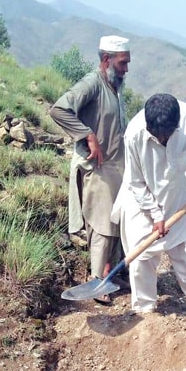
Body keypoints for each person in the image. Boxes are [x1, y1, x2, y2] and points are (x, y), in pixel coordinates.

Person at [112, 93, 186, 321]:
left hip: (177, 196)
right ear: (148, 124)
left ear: (176, 124)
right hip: (141, 199)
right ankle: (145, 307)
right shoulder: (134, 134)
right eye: (156, 135)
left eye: (166, 135)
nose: (161, 139)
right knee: (142, 254)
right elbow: (135, 181)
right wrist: (154, 215)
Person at [49, 35, 131, 302]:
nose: (126, 69)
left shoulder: (115, 87)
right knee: (102, 225)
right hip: (97, 168)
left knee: (116, 223)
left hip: (116, 167)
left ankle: (110, 275)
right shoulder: (92, 84)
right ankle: (97, 283)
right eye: (122, 63)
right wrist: (87, 135)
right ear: (106, 59)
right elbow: (59, 110)